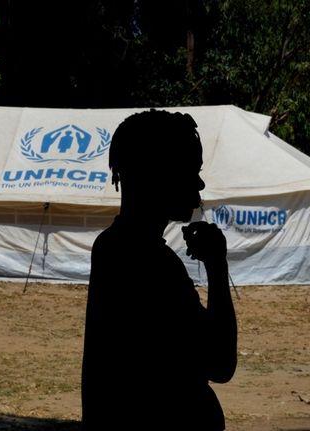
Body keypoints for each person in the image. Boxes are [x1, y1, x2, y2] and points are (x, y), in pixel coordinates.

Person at [81, 109, 238, 430]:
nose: (199, 182)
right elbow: (220, 363)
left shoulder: (111, 247)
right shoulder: (151, 264)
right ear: (157, 175)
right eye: (188, 170)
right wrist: (217, 268)